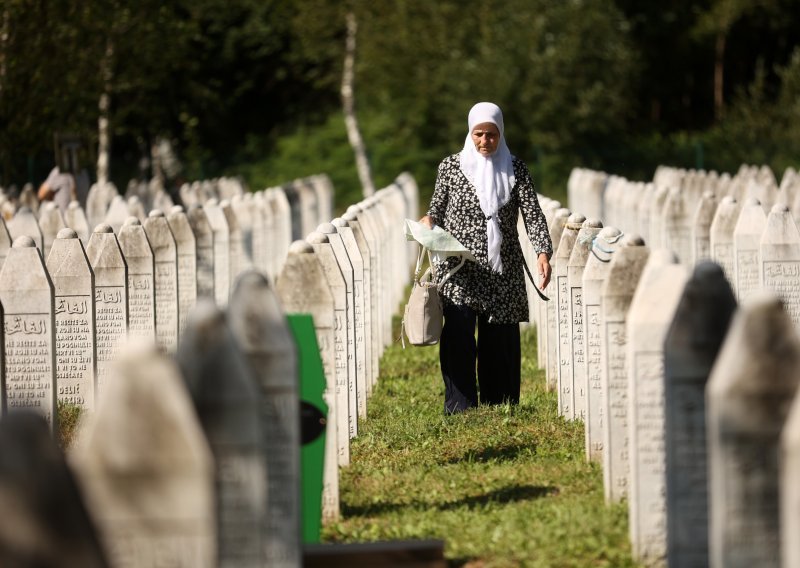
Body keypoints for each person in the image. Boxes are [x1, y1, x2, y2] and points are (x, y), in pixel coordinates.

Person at [420, 101, 552, 414]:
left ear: (500, 134)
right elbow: (437, 206)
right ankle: (460, 404)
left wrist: (543, 251)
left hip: (501, 269)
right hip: (459, 268)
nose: (484, 141)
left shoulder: (515, 168)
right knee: (459, 334)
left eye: (491, 134)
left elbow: (532, 214)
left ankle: (500, 402)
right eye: (479, 134)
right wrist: (428, 221)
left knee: (500, 340)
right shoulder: (451, 166)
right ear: (470, 133)